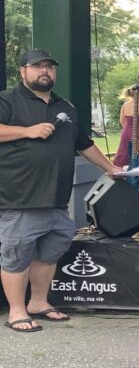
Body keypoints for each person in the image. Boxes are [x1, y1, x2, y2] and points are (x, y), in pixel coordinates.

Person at [0, 49, 125, 332]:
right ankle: (17, 312)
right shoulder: (7, 100)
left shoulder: (65, 107)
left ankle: (38, 303)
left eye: (49, 67)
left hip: (57, 198)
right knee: (16, 255)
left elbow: (84, 143)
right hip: (20, 197)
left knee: (50, 251)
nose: (45, 71)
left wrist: (110, 168)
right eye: (37, 66)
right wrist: (26, 131)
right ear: (23, 71)